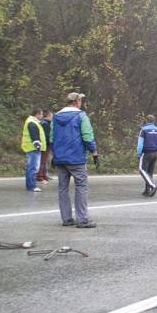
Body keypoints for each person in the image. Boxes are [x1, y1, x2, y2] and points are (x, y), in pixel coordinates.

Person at [51, 92, 98, 228]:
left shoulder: (56, 117)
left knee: (62, 189)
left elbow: (52, 138)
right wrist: (94, 152)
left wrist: (55, 154)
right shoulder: (81, 116)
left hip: (60, 158)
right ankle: (82, 219)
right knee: (81, 187)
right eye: (80, 100)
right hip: (76, 158)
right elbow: (88, 136)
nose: (81, 102)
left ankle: (66, 219)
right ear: (76, 102)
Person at [137, 114, 157, 197]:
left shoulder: (143, 130)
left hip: (146, 153)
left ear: (146, 121)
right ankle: (147, 190)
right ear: (154, 121)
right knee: (149, 172)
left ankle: (152, 186)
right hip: (155, 153)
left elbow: (140, 143)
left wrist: (139, 153)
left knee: (142, 170)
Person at [21, 108, 46, 192]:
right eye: (41, 114)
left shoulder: (31, 121)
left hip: (31, 147)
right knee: (33, 168)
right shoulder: (32, 122)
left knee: (31, 167)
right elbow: (34, 135)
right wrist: (37, 145)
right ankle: (32, 186)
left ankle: (30, 186)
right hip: (33, 148)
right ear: (37, 114)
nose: (42, 116)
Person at [37, 110, 53, 184]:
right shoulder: (45, 124)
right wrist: (51, 142)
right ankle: (40, 177)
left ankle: (44, 175)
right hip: (45, 144)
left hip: (45, 144)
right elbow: (47, 136)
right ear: (48, 116)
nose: (52, 117)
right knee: (43, 161)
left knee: (44, 161)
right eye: (51, 116)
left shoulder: (44, 123)